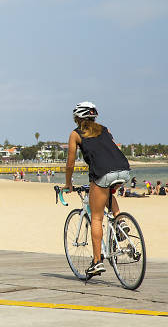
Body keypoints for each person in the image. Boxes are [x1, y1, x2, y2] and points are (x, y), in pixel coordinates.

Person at [64, 102, 131, 278]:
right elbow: (112, 147)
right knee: (107, 192)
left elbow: (70, 163)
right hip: (123, 169)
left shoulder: (75, 134)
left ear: (77, 118)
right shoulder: (105, 129)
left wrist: (68, 183)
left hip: (102, 173)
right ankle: (120, 221)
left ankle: (97, 262)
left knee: (96, 216)